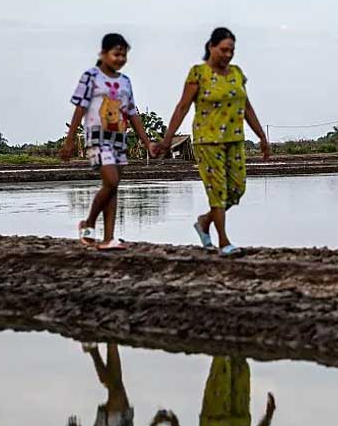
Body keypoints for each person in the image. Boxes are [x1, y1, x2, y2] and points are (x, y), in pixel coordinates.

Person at [157, 27, 271, 257]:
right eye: (223, 50)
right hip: (207, 141)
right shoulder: (198, 73)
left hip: (234, 139)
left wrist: (261, 136)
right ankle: (223, 242)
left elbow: (246, 106)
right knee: (217, 191)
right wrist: (168, 139)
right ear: (211, 47)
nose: (228, 54)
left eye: (232, 50)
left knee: (236, 189)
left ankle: (205, 221)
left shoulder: (237, 73)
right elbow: (182, 106)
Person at [61, 33, 155, 251]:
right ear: (103, 54)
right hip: (97, 139)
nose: (120, 58)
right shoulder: (91, 77)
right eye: (116, 53)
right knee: (111, 182)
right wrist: (69, 141)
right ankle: (89, 223)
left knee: (112, 187)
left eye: (124, 54)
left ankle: (109, 238)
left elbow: (132, 113)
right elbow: (80, 108)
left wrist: (147, 142)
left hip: (119, 139)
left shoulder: (125, 82)